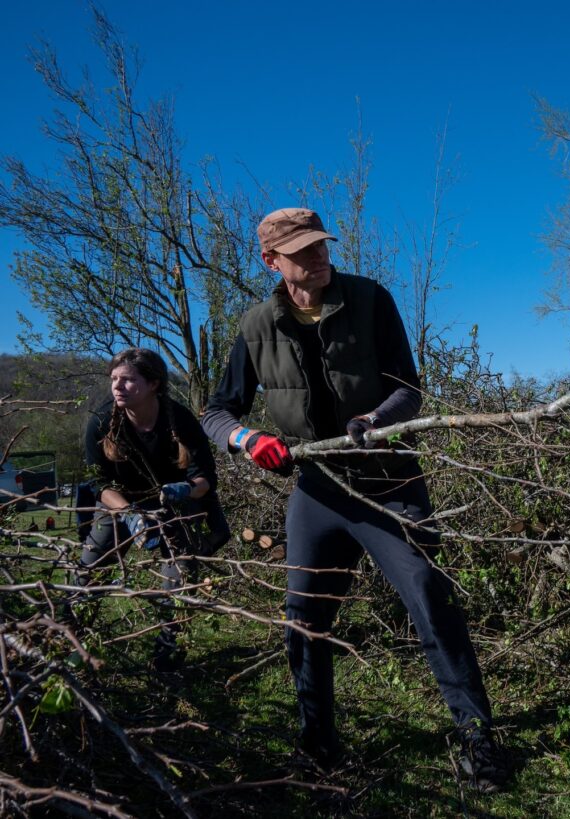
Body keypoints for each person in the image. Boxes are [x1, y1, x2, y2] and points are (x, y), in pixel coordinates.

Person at [201, 207, 507, 790]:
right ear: (272, 262)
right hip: (316, 489)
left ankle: (478, 740)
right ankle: (318, 744)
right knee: (304, 619)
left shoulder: (369, 299)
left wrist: (376, 417)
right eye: (303, 253)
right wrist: (248, 439)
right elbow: (218, 412)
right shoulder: (255, 325)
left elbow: (408, 388)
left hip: (386, 481)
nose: (319, 258)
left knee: (427, 593)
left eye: (321, 246)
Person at [81, 348, 223, 671]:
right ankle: (69, 638)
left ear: (154, 384)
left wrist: (185, 490)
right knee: (89, 566)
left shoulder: (181, 419)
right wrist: (130, 514)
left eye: (128, 380)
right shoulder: (101, 423)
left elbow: (205, 479)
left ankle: (168, 653)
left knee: (179, 574)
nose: (118, 386)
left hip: (172, 502)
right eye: (114, 379)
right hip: (119, 503)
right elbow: (97, 484)